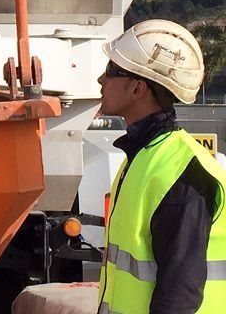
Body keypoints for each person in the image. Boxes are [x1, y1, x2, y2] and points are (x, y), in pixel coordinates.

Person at [97, 19, 226, 313]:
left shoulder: (183, 175)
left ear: (138, 88)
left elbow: (179, 295)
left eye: (111, 72)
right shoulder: (142, 157)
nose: (100, 80)